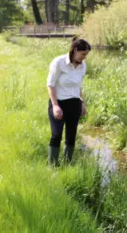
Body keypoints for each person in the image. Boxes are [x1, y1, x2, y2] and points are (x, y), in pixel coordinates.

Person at [46, 37, 91, 166]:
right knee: (56, 135)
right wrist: (55, 106)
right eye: (83, 54)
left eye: (86, 54)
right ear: (75, 50)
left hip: (74, 104)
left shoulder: (83, 66)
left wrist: (82, 102)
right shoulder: (58, 62)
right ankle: (53, 166)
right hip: (59, 103)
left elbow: (79, 87)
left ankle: (67, 164)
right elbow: (50, 85)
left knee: (71, 137)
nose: (85, 57)